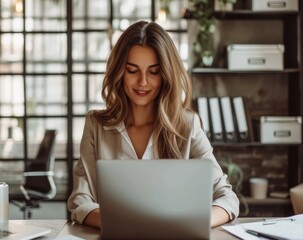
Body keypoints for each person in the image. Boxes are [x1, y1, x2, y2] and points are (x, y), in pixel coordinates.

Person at [67, 20, 239, 229]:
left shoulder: (187, 125)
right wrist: (124, 225)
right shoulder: (96, 125)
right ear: (120, 72)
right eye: (132, 70)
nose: (143, 82)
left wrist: (191, 223)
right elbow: (80, 201)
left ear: (166, 74)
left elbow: (227, 198)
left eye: (153, 71)